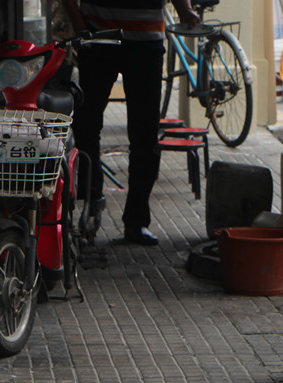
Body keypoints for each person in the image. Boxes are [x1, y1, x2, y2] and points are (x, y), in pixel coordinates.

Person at [65, 0, 200, 245]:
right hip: (98, 37)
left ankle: (136, 222)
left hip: (146, 41)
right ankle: (91, 203)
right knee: (86, 126)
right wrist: (78, 23)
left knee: (145, 134)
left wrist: (185, 10)